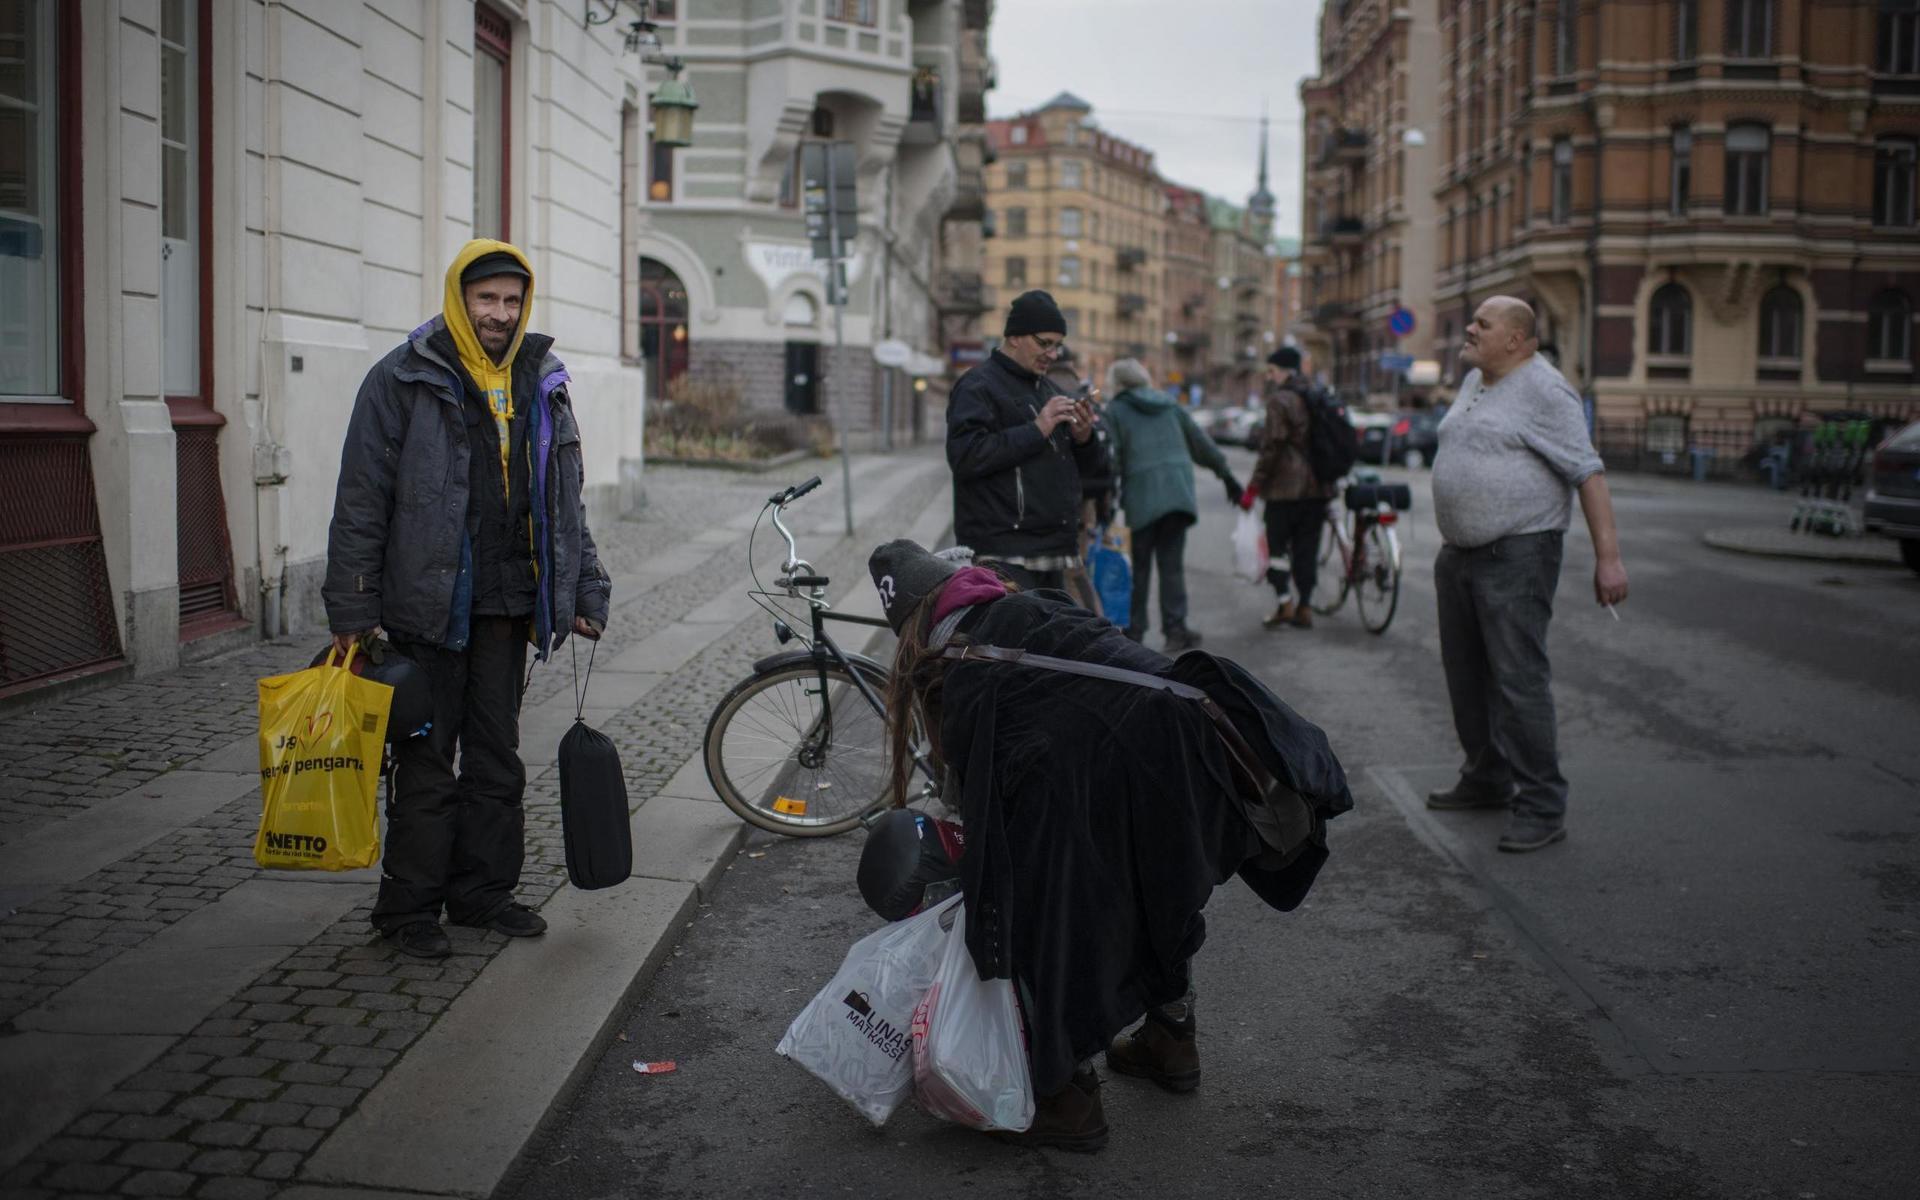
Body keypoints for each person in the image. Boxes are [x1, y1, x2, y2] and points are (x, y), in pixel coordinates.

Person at [866, 539, 1352, 1152]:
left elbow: (994, 841)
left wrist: (984, 919)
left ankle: (1066, 1100)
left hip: (1129, 772)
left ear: (912, 632)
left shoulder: (968, 675)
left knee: (1038, 915)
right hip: (1197, 761)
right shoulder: (1035, 605)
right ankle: (1171, 1040)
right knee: (1159, 896)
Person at [323, 239, 612, 958]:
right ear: (459, 297)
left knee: (497, 758)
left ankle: (481, 894)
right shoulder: (400, 379)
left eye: (512, 301)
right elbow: (361, 502)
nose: (500, 314)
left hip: (508, 604)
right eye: (487, 299)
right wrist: (354, 614)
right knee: (425, 761)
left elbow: (563, 501)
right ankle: (408, 912)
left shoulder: (541, 379)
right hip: (426, 607)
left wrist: (586, 587)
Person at [1427, 296, 1628, 853]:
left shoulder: (1546, 389)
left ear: (1516, 339)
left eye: (1482, 325)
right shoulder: (1478, 379)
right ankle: (1487, 776)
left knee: (1518, 681)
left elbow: (1588, 473)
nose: (1470, 328)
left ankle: (1542, 803)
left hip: (1517, 554)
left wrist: (1608, 558)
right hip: (1460, 555)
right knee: (1467, 679)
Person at [947, 290, 1106, 595]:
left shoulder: (1050, 389)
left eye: (1058, 346)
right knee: (1009, 643)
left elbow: (1091, 472)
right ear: (1014, 337)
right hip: (1002, 554)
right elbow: (965, 458)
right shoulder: (977, 386)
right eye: (1044, 343)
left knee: (1054, 642)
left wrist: (1085, 439)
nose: (1053, 354)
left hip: (1054, 551)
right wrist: (1038, 428)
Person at [1101, 358, 1242, 651]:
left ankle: (1134, 632)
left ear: (1118, 384)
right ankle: (1176, 629)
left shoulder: (1115, 410)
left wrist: (1107, 503)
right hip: (1178, 495)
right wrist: (1225, 474)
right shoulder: (1169, 403)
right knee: (1172, 566)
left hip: (1142, 499)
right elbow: (1200, 443)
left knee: (1139, 569)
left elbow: (1111, 460)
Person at [1241, 347, 1333, 630]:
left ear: (1284, 370)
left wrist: (1253, 487)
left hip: (1284, 490)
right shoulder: (1318, 395)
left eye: (1272, 370)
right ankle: (1304, 606)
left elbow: (1272, 448)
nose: (1269, 376)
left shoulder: (1280, 400)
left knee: (1277, 550)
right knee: (1307, 550)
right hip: (1318, 489)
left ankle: (1284, 603)